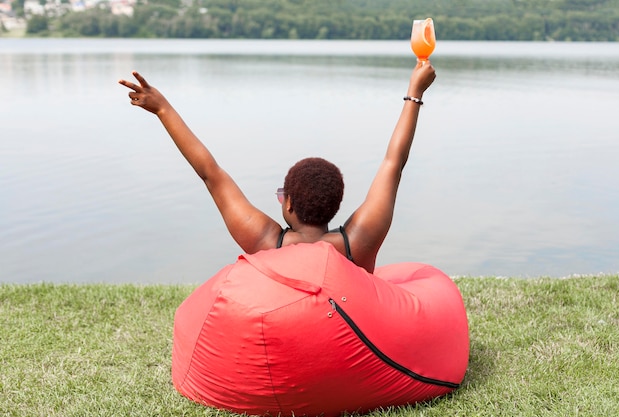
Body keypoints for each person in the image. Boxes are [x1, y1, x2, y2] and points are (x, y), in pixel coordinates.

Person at [118, 61, 436, 274]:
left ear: (289, 204)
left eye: (282, 193)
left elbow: (210, 173)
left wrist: (162, 109)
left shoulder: (267, 243)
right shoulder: (359, 242)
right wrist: (415, 92)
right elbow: (394, 163)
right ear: (336, 205)